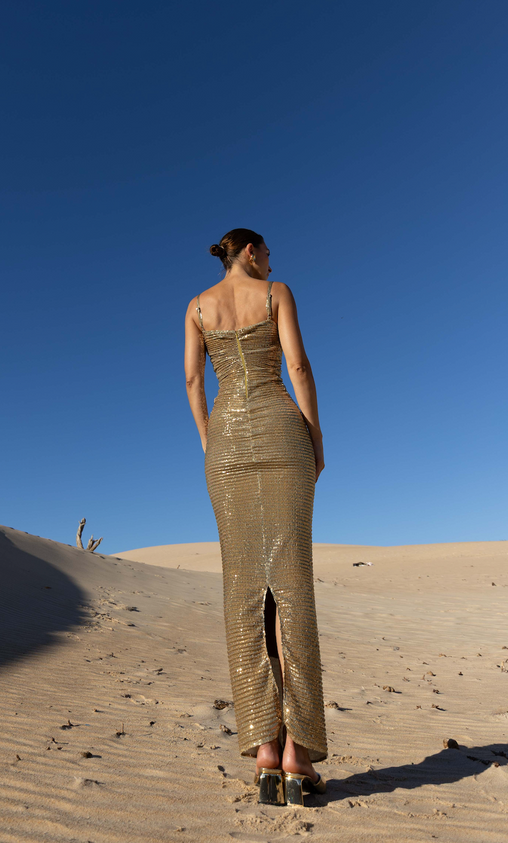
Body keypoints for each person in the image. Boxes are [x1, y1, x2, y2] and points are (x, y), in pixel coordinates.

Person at [184, 228, 328, 806]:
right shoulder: (276, 294)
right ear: (250, 252)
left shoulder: (196, 307)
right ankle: (298, 754)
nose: (271, 262)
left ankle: (264, 751)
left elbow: (194, 381)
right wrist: (315, 436)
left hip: (227, 447)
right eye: (266, 254)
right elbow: (298, 364)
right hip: (280, 433)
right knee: (292, 587)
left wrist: (208, 440)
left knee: (244, 591)